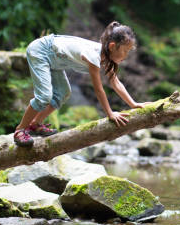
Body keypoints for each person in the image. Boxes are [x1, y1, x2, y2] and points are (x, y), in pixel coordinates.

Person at [13, 21, 147, 147]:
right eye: (125, 50)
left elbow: (116, 83)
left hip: (54, 61)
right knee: (44, 96)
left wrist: (133, 104)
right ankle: (20, 130)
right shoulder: (94, 56)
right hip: (42, 51)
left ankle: (35, 124)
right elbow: (99, 89)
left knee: (63, 93)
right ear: (112, 46)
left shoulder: (106, 57)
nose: (126, 55)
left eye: (128, 51)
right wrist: (110, 113)